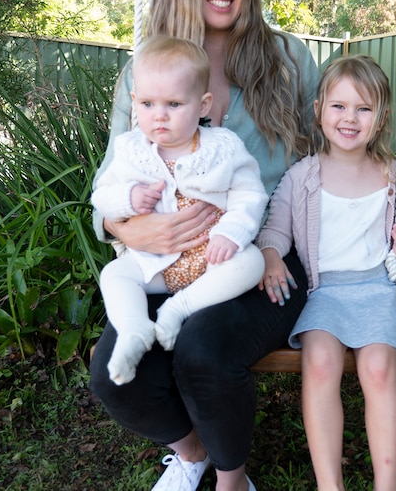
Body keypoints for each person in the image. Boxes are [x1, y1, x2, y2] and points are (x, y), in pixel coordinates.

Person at [88, 0, 396, 491]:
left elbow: (340, 154)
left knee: (203, 347)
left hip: (268, 257)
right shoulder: (145, 71)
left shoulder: (287, 60)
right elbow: (109, 187)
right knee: (112, 373)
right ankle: (192, 451)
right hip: (167, 259)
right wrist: (127, 230)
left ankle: (231, 479)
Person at [256, 55, 396, 491]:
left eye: (364, 109)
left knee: (379, 368)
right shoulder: (301, 176)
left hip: (377, 290)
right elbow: (276, 231)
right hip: (324, 294)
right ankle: (330, 485)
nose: (350, 118)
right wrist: (269, 256)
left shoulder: (392, 175)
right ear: (320, 109)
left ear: (380, 120)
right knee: (319, 363)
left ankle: (387, 484)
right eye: (339, 106)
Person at [91, 35, 268, 386]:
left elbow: (250, 195)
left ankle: (179, 308)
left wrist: (231, 233)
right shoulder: (131, 151)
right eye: (147, 104)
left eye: (173, 104)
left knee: (252, 262)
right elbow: (102, 197)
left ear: (203, 105)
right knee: (114, 275)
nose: (159, 116)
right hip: (155, 262)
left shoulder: (224, 147)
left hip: (211, 256)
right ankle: (134, 331)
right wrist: (128, 199)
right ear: (134, 103)